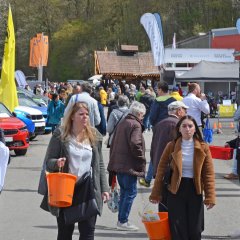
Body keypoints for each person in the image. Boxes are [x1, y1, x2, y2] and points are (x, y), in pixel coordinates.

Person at [39, 102, 109, 240]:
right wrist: (57, 162)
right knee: (65, 234)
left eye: (87, 114)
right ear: (72, 116)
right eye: (81, 114)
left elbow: (99, 164)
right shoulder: (61, 134)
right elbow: (48, 162)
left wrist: (104, 188)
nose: (85, 117)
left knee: (88, 233)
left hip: (88, 190)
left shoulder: (94, 135)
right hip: (65, 191)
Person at [149, 115, 216, 240]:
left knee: (195, 229)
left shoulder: (203, 147)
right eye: (184, 126)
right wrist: (156, 193)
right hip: (175, 190)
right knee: (178, 228)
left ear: (195, 129)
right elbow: (161, 170)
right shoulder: (172, 146)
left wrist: (210, 196)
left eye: (190, 126)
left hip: (194, 190)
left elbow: (208, 173)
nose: (187, 129)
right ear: (179, 129)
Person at [107, 101, 146, 231]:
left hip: (119, 163)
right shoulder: (135, 125)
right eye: (143, 115)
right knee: (130, 192)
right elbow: (135, 144)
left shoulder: (124, 122)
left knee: (125, 192)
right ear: (139, 113)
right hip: (128, 164)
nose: (143, 118)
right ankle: (123, 220)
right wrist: (141, 158)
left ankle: (121, 219)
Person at [139, 101, 188, 191]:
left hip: (159, 167)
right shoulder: (178, 125)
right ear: (179, 111)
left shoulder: (159, 124)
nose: (186, 113)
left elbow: (153, 149)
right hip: (172, 169)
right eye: (185, 110)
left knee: (162, 198)